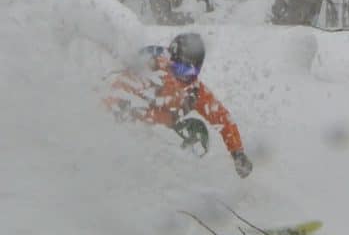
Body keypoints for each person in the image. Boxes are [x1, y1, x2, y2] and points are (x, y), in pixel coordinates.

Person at [105, 32, 254, 178]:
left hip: (163, 132)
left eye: (189, 71)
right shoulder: (151, 70)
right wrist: (117, 111)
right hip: (131, 130)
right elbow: (117, 92)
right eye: (178, 68)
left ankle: (183, 171)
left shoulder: (193, 89)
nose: (182, 76)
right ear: (170, 61)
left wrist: (237, 152)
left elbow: (222, 118)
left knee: (197, 130)